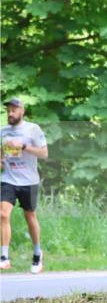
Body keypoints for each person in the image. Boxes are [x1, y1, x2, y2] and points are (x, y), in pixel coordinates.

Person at [1, 98, 48, 273]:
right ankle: (4, 257)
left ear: (22, 111)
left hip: (29, 181)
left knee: (30, 217)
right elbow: (1, 157)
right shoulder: (3, 131)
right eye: (8, 111)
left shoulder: (33, 129)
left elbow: (44, 153)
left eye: (14, 110)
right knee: (3, 214)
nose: (10, 113)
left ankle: (37, 254)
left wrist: (24, 146)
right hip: (9, 179)